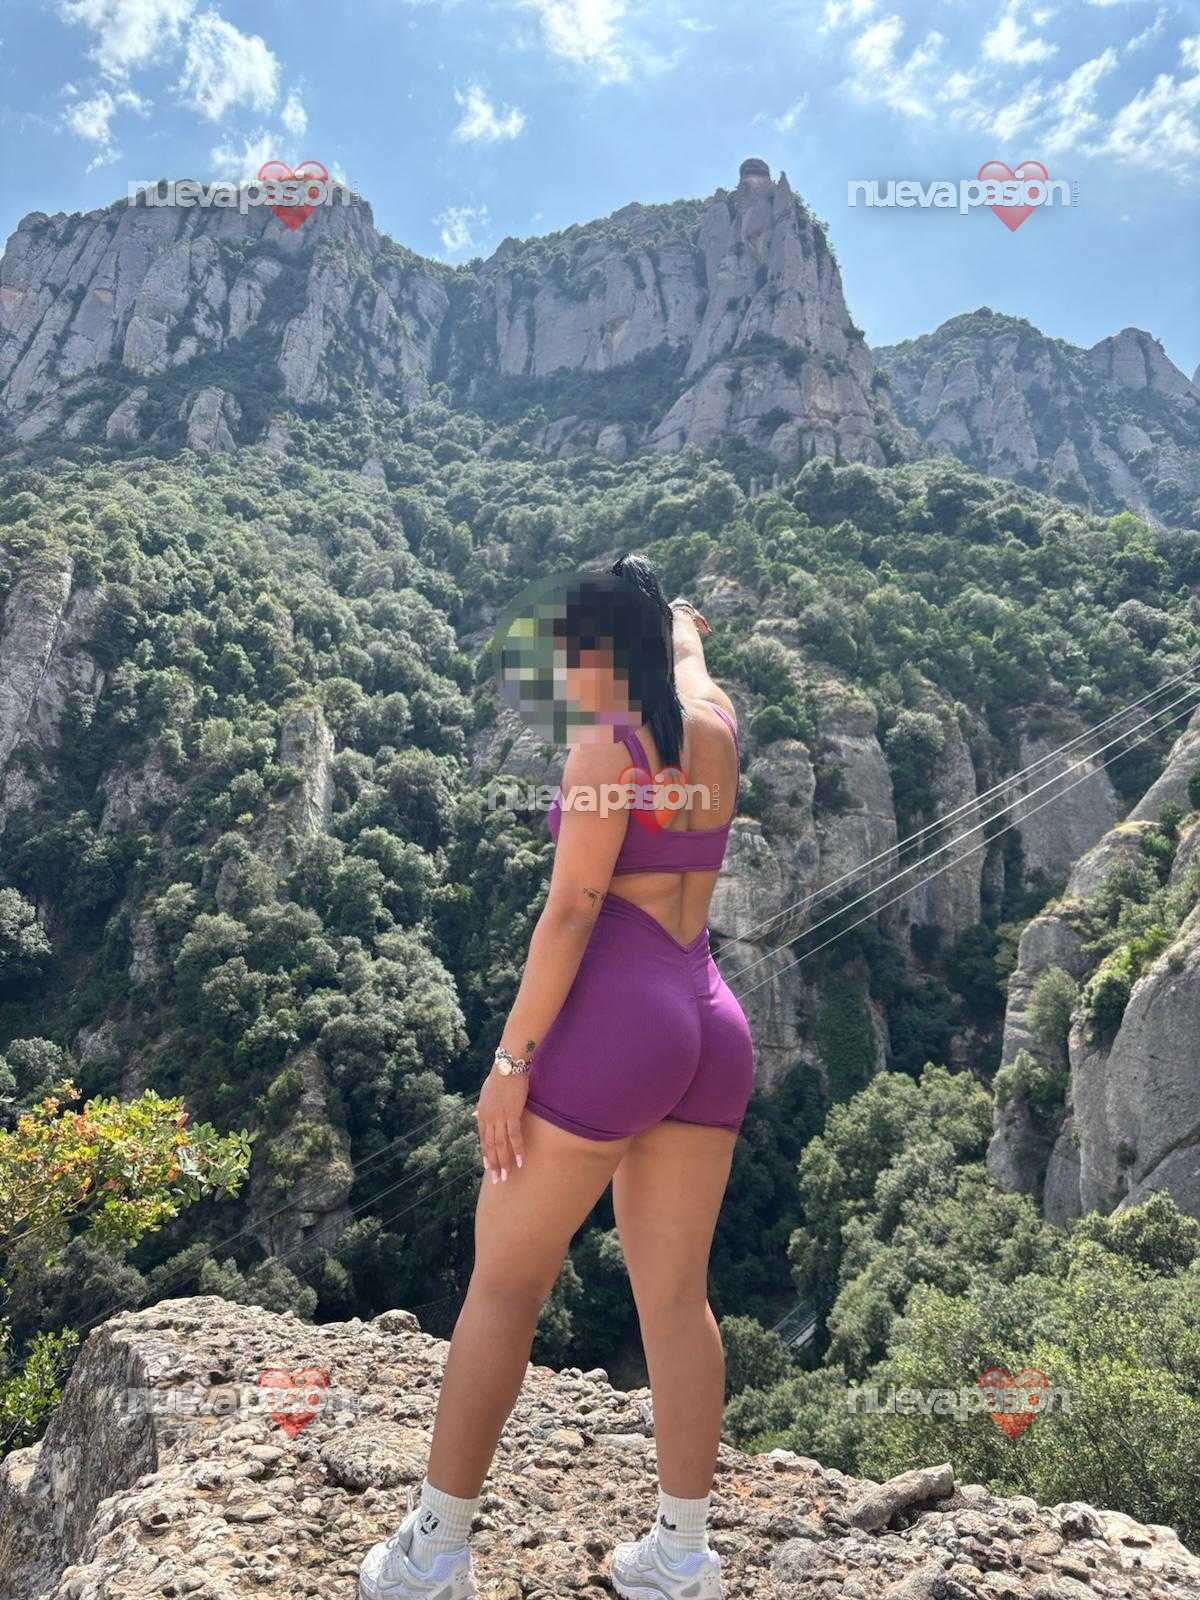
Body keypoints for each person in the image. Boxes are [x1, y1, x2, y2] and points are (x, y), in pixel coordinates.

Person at [359, 554, 754, 1600]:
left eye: (573, 650)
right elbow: (687, 646)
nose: (562, 670)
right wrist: (677, 618)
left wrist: (509, 1064)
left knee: (505, 1280)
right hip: (710, 1015)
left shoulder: (605, 747)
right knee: (677, 1298)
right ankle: (682, 1557)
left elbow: (572, 912)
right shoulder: (713, 718)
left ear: (605, 652)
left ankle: (433, 1555)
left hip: (619, 1025)